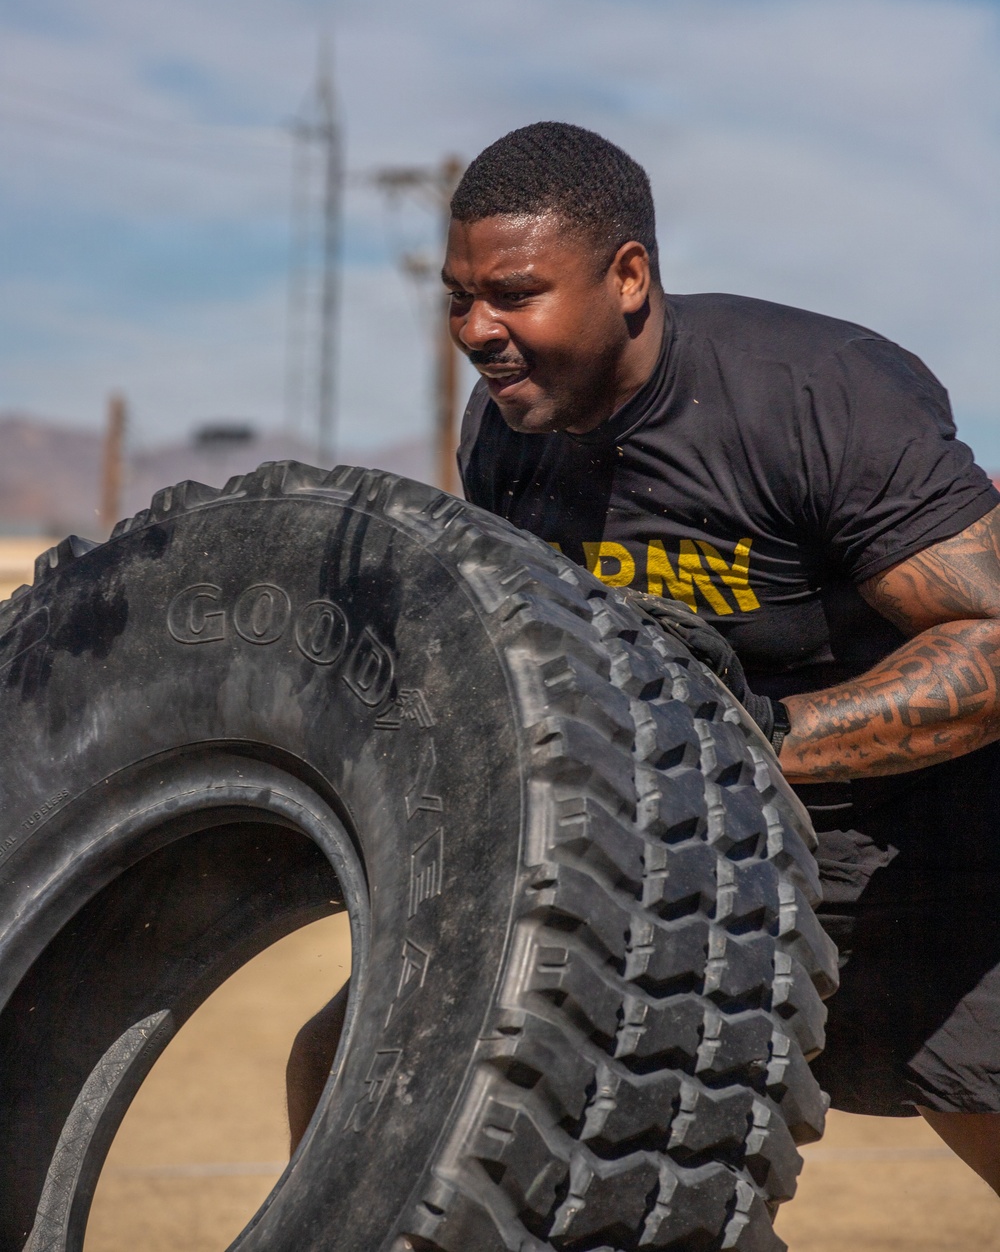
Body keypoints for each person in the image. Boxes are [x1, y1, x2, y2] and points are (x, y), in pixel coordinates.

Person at [288, 121, 1000, 1192]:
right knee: (349, 1054)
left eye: (515, 293)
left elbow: (991, 639)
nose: (478, 330)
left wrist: (744, 746)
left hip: (932, 856)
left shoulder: (813, 395)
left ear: (627, 277)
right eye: (457, 298)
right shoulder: (505, 434)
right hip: (687, 853)